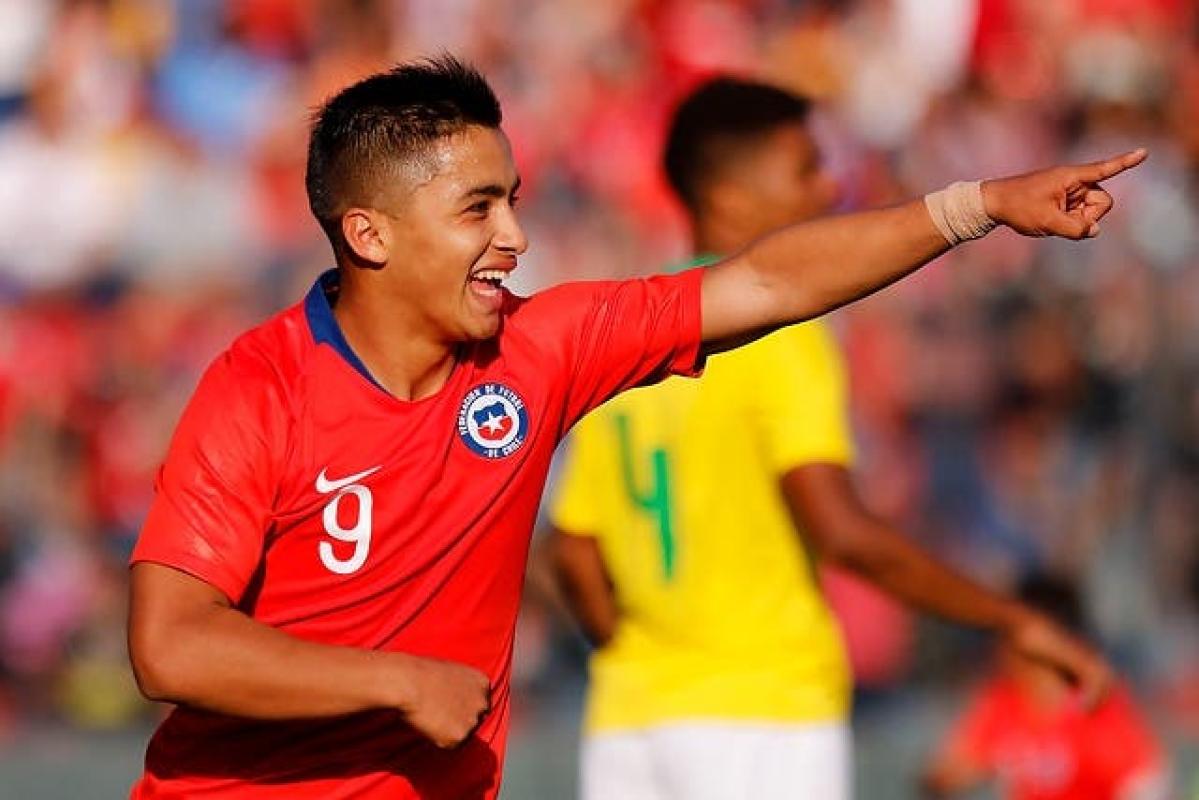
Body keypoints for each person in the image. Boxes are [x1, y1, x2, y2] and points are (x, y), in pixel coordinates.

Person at [125, 55, 1143, 799]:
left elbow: (765, 282)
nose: (515, 235)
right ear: (369, 232)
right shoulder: (257, 390)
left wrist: (974, 206)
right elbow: (170, 644)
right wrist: (394, 682)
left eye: (513, 201)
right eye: (478, 209)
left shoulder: (540, 348)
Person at [545, 77, 1119, 800]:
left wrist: (648, 655)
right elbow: (842, 532)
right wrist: (1011, 619)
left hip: (630, 723)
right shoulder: (778, 338)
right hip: (763, 715)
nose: (828, 188)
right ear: (728, 198)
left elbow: (573, 550)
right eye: (805, 168)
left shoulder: (631, 332)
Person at [923, 573, 1169, 800]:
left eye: (1010, 632)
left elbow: (1143, 781)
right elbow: (946, 774)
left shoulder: (1095, 703)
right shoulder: (1002, 701)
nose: (999, 646)